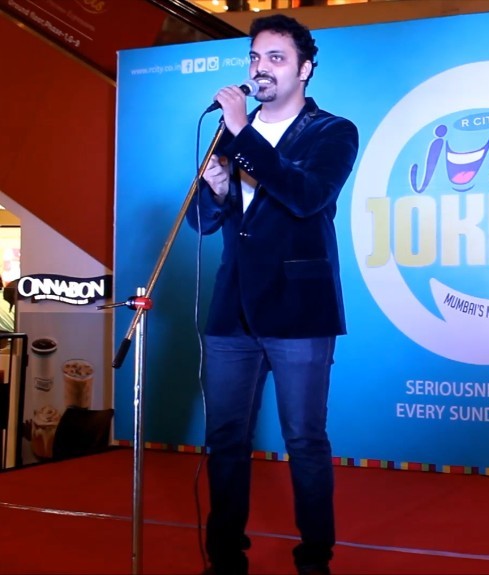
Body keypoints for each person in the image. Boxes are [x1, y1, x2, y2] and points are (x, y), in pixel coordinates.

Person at [185, 14, 358, 575]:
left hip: (299, 309)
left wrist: (243, 135)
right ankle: (225, 556)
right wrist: (213, 192)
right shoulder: (229, 132)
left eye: (276, 58)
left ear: (305, 70)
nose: (261, 69)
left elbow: (306, 197)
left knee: (304, 438)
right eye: (256, 58)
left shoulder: (333, 132)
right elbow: (203, 223)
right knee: (225, 438)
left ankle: (314, 557)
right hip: (231, 308)